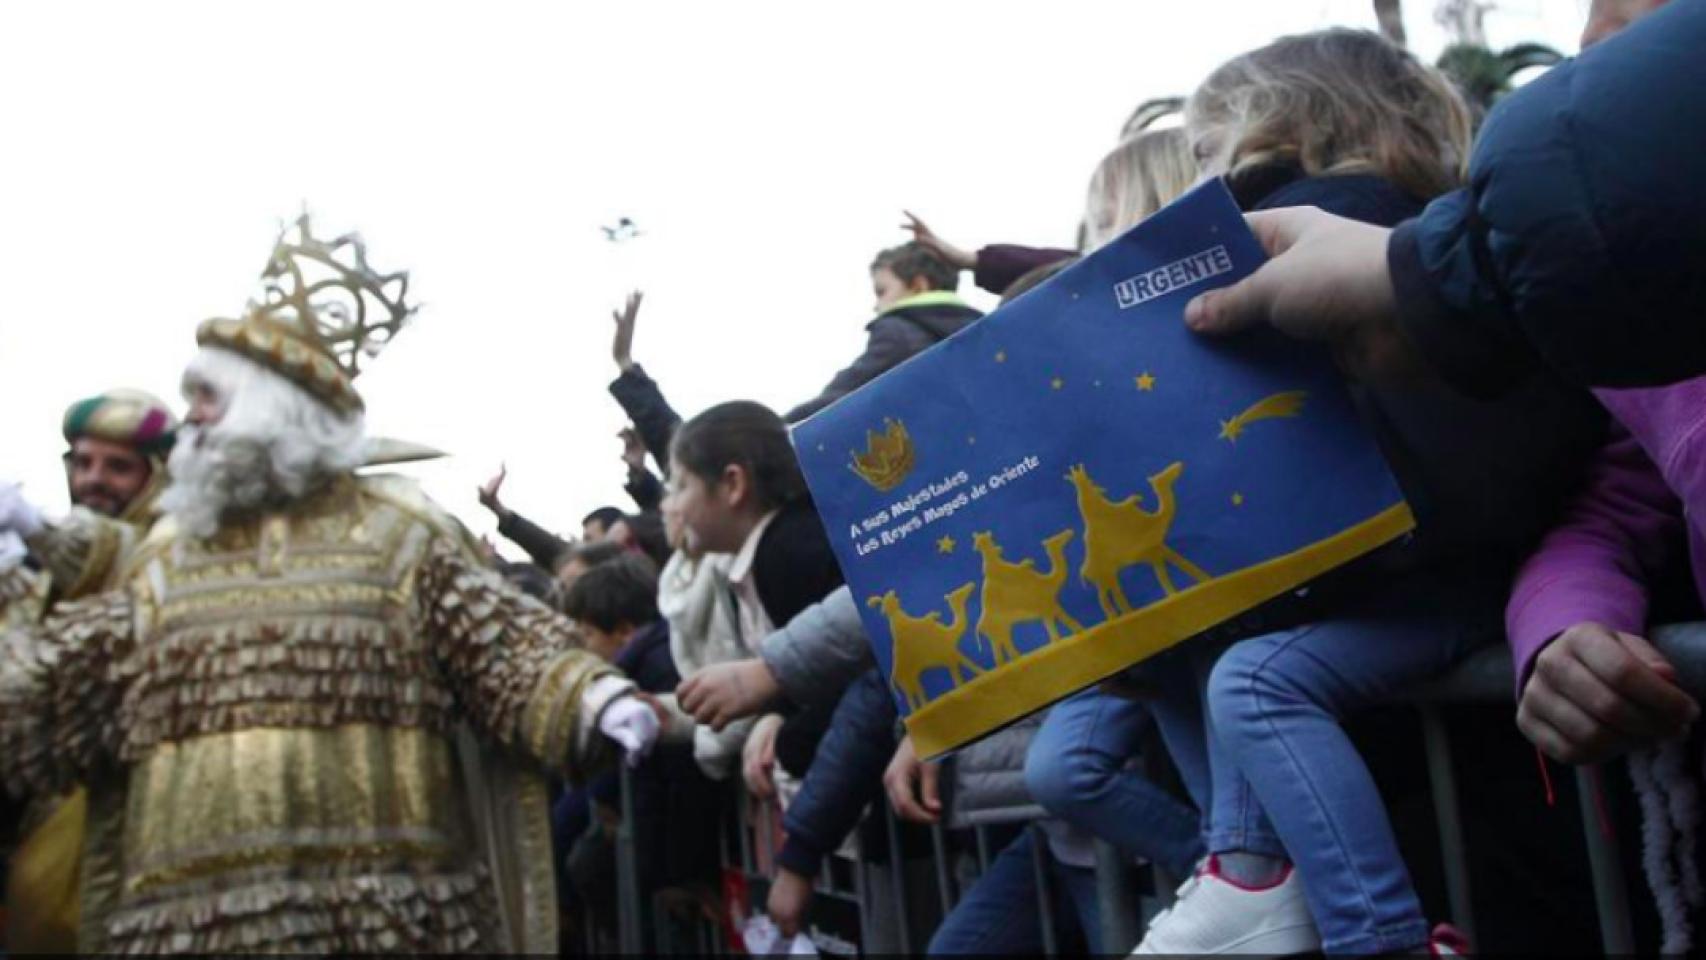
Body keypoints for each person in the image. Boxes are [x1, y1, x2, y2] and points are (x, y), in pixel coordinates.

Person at [0, 215, 659, 953]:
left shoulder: (398, 534)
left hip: (386, 915)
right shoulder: (164, 558)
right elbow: (67, 680)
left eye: (207, 399)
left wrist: (588, 696)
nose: (190, 420)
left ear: (270, 412)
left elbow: (498, 646)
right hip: (192, 920)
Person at [1129, 30, 1601, 957]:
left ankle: (1295, 895)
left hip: (1430, 580)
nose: (1199, 178)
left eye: (1205, 148)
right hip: (1472, 584)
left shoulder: (1299, 223)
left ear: (1274, 122)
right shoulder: (1438, 234)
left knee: (1243, 672)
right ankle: (1250, 871)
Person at [1180, 0, 1706, 395]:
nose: (1591, 35)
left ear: (1281, 123)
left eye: (1204, 150)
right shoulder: (1467, 232)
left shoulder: (1284, 233)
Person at [2, 389, 179, 953]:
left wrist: (32, 528)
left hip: (125, 807)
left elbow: (108, 552)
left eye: (118, 467)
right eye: (82, 462)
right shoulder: (37, 566)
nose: (94, 479)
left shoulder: (170, 549)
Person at [665, 400, 846, 796]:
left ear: (732, 484)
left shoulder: (788, 553)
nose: (673, 506)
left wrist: (789, 743)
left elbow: (854, 678)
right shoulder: (772, 551)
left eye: (680, 486)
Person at [784, 244, 982, 422]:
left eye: (881, 291)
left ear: (918, 285)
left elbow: (847, 391)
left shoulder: (897, 330)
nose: (876, 305)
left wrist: (783, 426)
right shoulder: (976, 328)